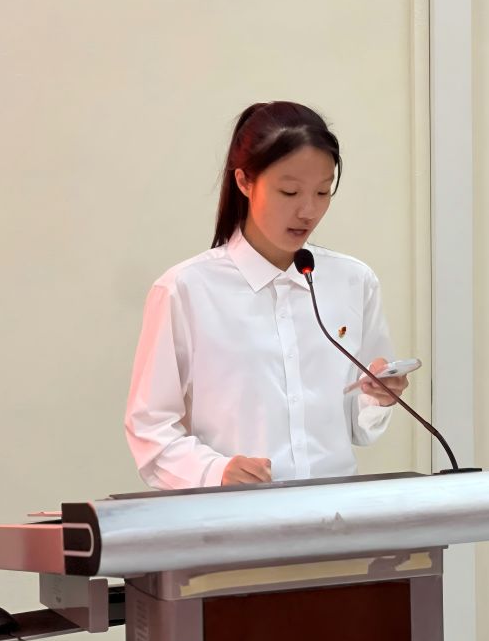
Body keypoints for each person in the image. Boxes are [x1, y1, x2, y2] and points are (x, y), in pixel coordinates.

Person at [124, 101, 410, 489]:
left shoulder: (354, 282)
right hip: (236, 516)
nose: (308, 210)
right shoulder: (186, 289)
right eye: (289, 192)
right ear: (244, 182)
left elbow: (357, 427)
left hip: (339, 513)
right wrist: (214, 471)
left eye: (322, 192)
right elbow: (150, 427)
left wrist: (378, 397)